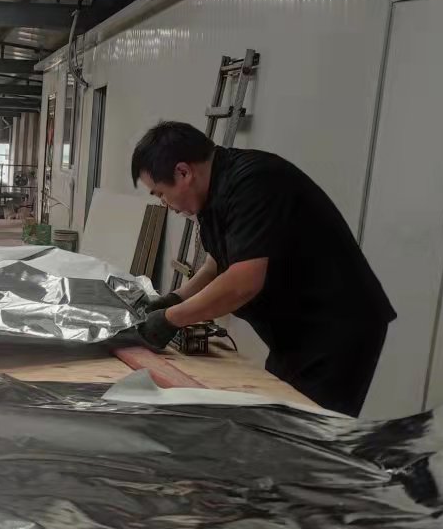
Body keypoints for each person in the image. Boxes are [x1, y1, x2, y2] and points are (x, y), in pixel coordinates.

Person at [130, 121, 395, 415]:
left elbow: (242, 283)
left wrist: (170, 319)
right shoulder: (214, 193)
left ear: (183, 172)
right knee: (278, 418)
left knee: (304, 429)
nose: (165, 203)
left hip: (334, 330)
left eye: (160, 193)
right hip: (294, 332)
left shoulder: (254, 183)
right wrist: (175, 298)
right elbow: (218, 263)